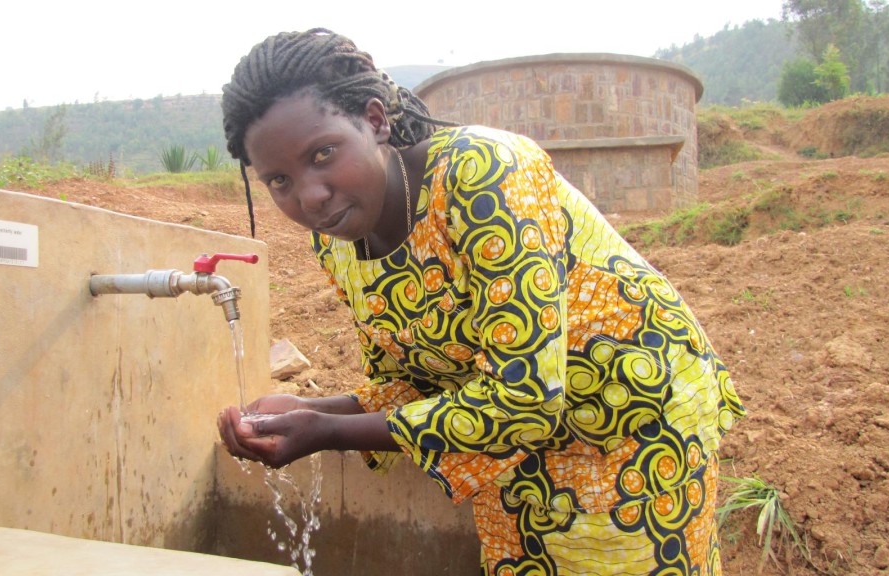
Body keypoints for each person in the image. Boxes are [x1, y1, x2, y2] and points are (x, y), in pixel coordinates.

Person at [217, 28, 745, 576]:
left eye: (323, 153)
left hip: (632, 424)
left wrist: (326, 433)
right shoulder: (339, 243)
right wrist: (311, 410)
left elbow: (528, 394)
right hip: (513, 444)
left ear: (374, 121)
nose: (309, 195)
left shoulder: (482, 173)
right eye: (280, 180)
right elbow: (413, 385)